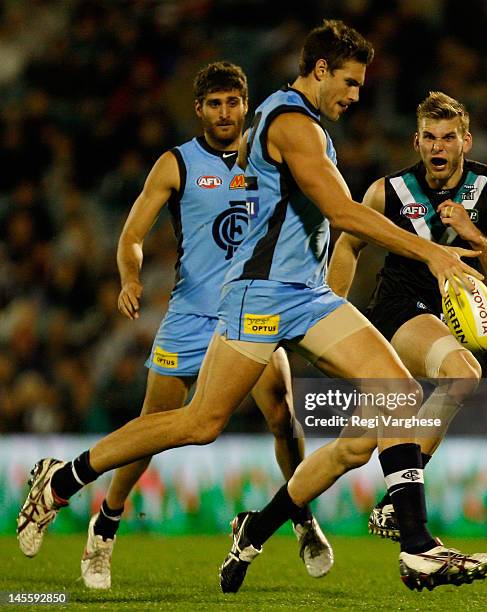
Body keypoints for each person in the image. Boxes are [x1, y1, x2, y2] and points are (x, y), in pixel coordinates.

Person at [17, 21, 487, 594]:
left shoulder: (299, 122)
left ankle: (417, 546)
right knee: (200, 424)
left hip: (307, 294)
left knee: (393, 391)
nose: (355, 96)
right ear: (320, 70)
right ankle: (66, 476)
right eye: (350, 83)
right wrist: (433, 255)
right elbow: (342, 213)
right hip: (262, 296)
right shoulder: (293, 122)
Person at [20, 62, 335, 588]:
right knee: (154, 428)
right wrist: (130, 277)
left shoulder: (269, 152)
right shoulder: (177, 164)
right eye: (215, 104)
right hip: (191, 315)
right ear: (199, 109)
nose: (226, 113)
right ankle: (107, 523)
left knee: (282, 414)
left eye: (234, 102)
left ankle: (299, 517)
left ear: (247, 104)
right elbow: (132, 235)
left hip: (252, 310)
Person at [326, 91, 487, 541]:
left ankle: (259, 526)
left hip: (447, 314)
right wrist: (330, 313)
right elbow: (348, 243)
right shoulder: (388, 191)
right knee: (462, 374)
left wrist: (473, 232)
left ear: (466, 142)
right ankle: (397, 508)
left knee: (351, 451)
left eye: (449, 138)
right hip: (399, 311)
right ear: (416, 143)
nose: (439, 147)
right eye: (429, 138)